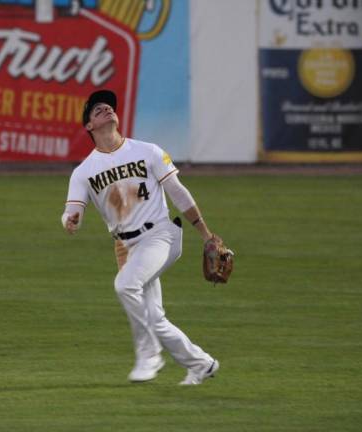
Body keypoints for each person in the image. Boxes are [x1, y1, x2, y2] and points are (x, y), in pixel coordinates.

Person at [61, 89, 220, 385]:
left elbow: (178, 193)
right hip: (126, 247)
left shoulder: (148, 151)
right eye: (98, 110)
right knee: (154, 317)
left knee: (124, 286)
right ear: (89, 127)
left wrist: (206, 233)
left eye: (109, 107)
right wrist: (70, 221)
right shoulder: (83, 171)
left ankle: (149, 356)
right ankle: (202, 364)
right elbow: (72, 210)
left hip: (161, 235)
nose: (106, 109)